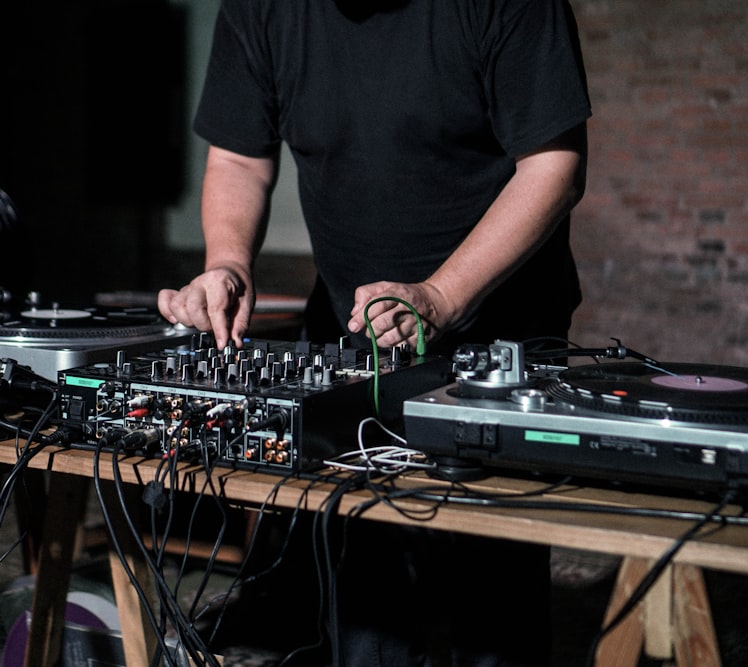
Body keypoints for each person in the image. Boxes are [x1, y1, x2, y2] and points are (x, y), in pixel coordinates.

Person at [159, 0, 591, 664]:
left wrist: (439, 295)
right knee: (362, 594)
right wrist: (227, 263)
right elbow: (240, 159)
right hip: (350, 329)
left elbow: (554, 166)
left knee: (492, 602)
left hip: (502, 330)